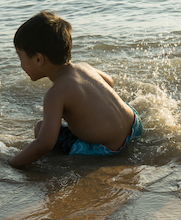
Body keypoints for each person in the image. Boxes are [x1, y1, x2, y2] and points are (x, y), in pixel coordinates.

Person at [8, 10, 142, 168]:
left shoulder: (55, 94)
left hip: (109, 149)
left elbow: (44, 144)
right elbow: (109, 82)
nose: (20, 64)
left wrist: (11, 163)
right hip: (134, 126)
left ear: (38, 59)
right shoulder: (83, 67)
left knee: (40, 128)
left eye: (20, 57)